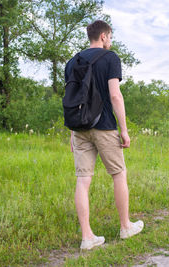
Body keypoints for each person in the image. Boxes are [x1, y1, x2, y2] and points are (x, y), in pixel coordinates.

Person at [65, 20, 143, 250]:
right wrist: (124, 129)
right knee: (118, 174)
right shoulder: (111, 58)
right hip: (105, 126)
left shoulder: (72, 62)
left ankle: (87, 237)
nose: (110, 41)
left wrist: (72, 132)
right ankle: (125, 226)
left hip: (79, 128)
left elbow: (72, 99)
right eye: (109, 37)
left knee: (83, 180)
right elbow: (115, 96)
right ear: (103, 36)